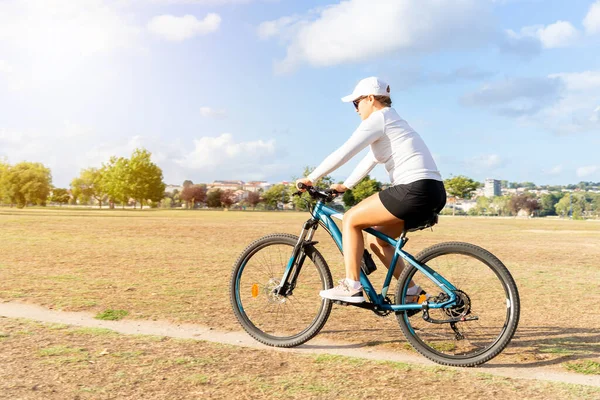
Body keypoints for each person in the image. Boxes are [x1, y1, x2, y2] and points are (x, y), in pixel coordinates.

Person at [296, 77, 446, 303]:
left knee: (350, 219)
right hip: (433, 191)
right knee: (378, 241)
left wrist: (311, 177)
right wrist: (346, 185)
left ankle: (351, 285)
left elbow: (345, 151)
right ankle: (412, 291)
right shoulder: (394, 122)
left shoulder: (379, 118)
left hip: (413, 189)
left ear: (370, 99)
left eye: (356, 103)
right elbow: (371, 159)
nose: (355, 110)